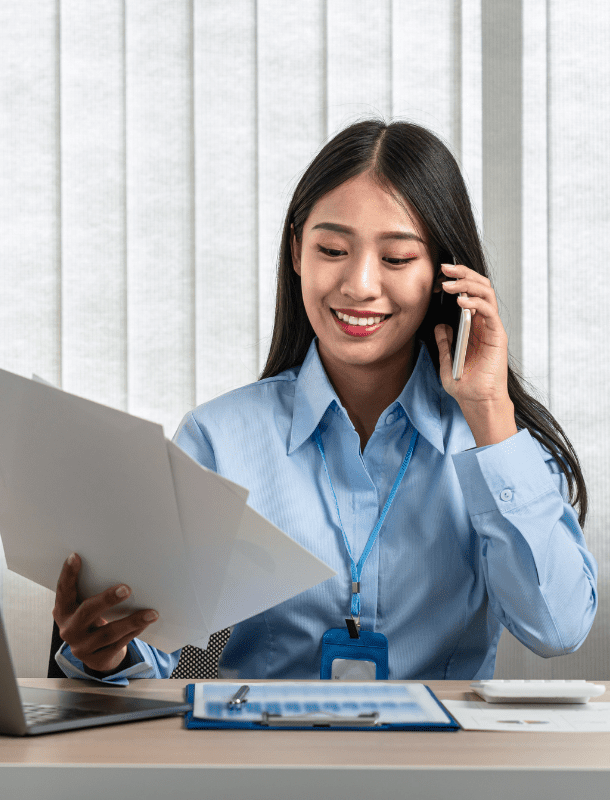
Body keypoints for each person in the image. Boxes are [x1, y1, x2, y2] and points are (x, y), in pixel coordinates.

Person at [52, 119, 597, 682]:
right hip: (265, 761)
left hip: (441, 764)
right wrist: (106, 653)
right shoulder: (219, 439)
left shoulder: (495, 443)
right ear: (297, 252)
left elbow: (556, 631)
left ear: (443, 274)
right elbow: (149, 653)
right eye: (333, 249)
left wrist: (489, 409)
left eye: (397, 258)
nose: (359, 284)